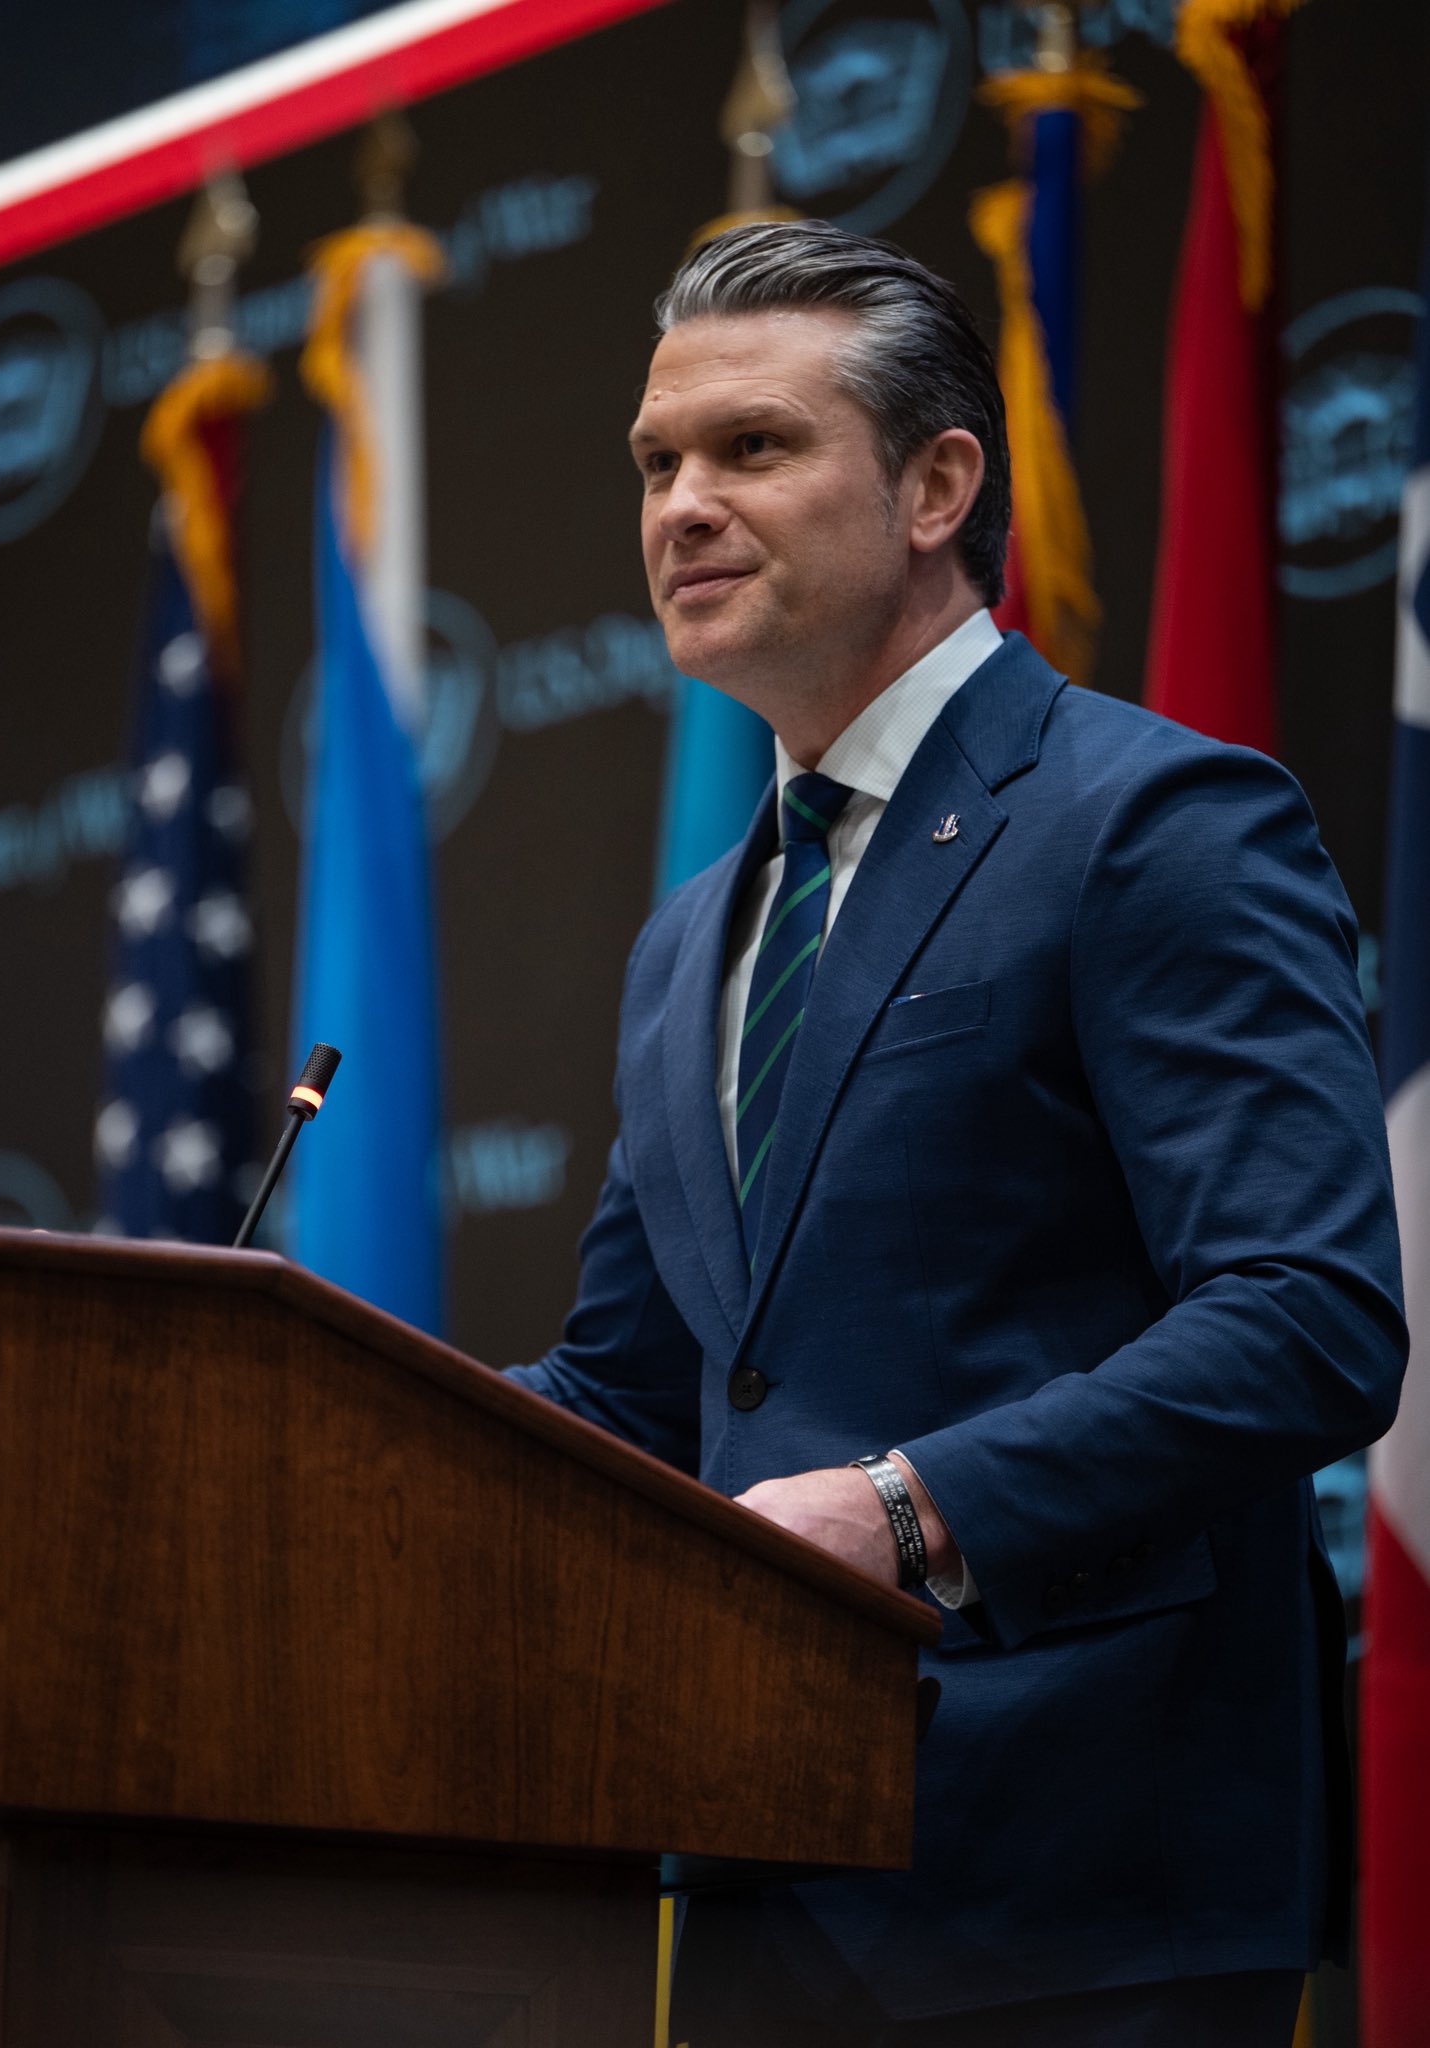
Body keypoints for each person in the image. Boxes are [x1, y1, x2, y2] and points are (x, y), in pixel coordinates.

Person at [505, 219, 1406, 2046]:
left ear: (934, 487)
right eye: (657, 464)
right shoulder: (691, 937)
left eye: (752, 447)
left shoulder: (1152, 820)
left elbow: (1307, 1318)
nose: (682, 506)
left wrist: (907, 1514)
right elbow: (630, 1392)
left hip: (1089, 1880)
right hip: (764, 1871)